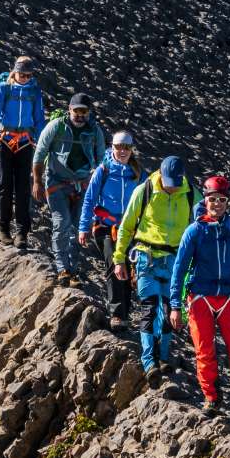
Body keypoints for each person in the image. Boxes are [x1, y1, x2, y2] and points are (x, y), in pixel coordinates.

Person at [172, 175, 230, 416]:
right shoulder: (195, 231)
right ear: (205, 200)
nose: (216, 204)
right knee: (204, 351)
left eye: (221, 199)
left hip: (229, 297)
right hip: (199, 297)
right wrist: (175, 305)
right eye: (212, 199)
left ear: (227, 202)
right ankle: (211, 398)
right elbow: (179, 269)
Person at [112, 155, 195, 379]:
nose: (171, 188)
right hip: (145, 257)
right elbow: (127, 225)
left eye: (175, 183)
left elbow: (200, 226)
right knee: (149, 307)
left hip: (174, 260)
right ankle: (149, 361)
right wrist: (119, 258)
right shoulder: (145, 190)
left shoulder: (189, 194)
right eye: (168, 183)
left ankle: (164, 358)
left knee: (169, 309)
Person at [32, 93, 105, 286]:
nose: (80, 115)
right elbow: (39, 155)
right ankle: (61, 268)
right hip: (56, 181)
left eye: (84, 112)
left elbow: (101, 162)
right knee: (61, 222)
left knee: (77, 227)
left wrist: (95, 185)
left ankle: (72, 271)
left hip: (83, 184)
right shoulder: (56, 127)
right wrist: (37, 182)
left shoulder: (95, 131)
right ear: (69, 110)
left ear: (89, 113)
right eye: (76, 111)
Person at [0, 56, 47, 247]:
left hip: (26, 142)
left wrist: (40, 143)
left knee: (22, 188)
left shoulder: (34, 91)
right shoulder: (4, 88)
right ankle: (3, 228)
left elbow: (39, 119)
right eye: (22, 74)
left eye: (29, 75)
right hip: (4, 140)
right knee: (5, 184)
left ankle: (21, 233)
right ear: (14, 71)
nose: (25, 78)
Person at [80, 131, 143, 321]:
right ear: (112, 147)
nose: (122, 151)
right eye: (118, 147)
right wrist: (83, 227)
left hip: (130, 227)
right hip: (105, 226)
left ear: (132, 149)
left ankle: (124, 312)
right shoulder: (104, 170)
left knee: (129, 267)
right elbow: (89, 199)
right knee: (114, 264)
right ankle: (117, 315)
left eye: (127, 147)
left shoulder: (138, 172)